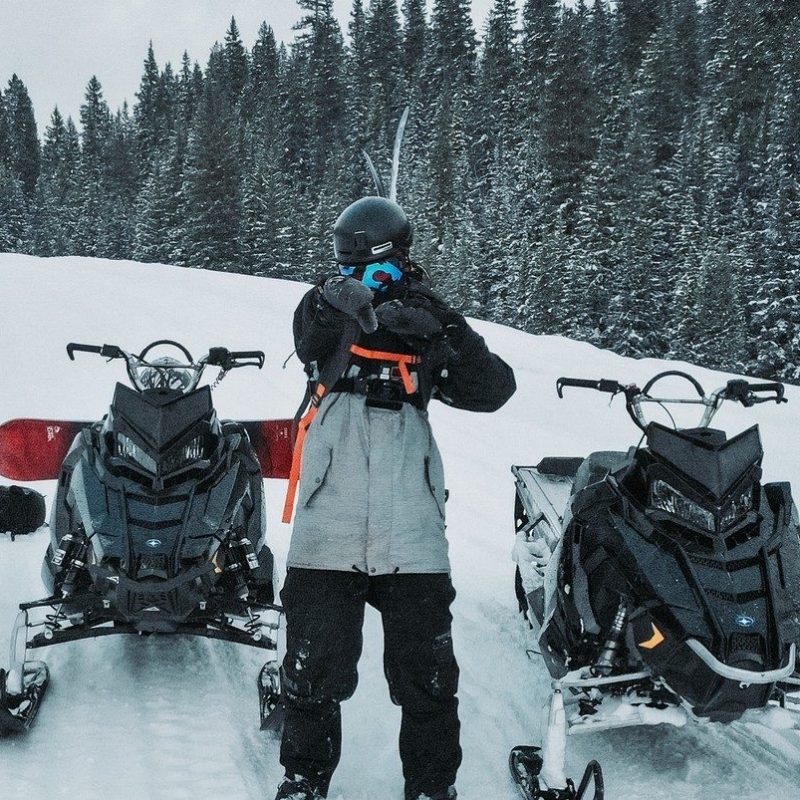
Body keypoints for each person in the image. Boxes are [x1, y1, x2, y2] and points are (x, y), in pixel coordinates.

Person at [276, 196, 516, 800]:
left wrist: (443, 322)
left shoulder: (427, 312)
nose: (353, 269)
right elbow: (308, 341)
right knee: (312, 668)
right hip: (330, 513)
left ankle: (433, 788)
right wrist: (342, 304)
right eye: (344, 260)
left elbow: (492, 390)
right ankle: (304, 781)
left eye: (361, 259)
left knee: (429, 677)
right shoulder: (321, 301)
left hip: (410, 517)